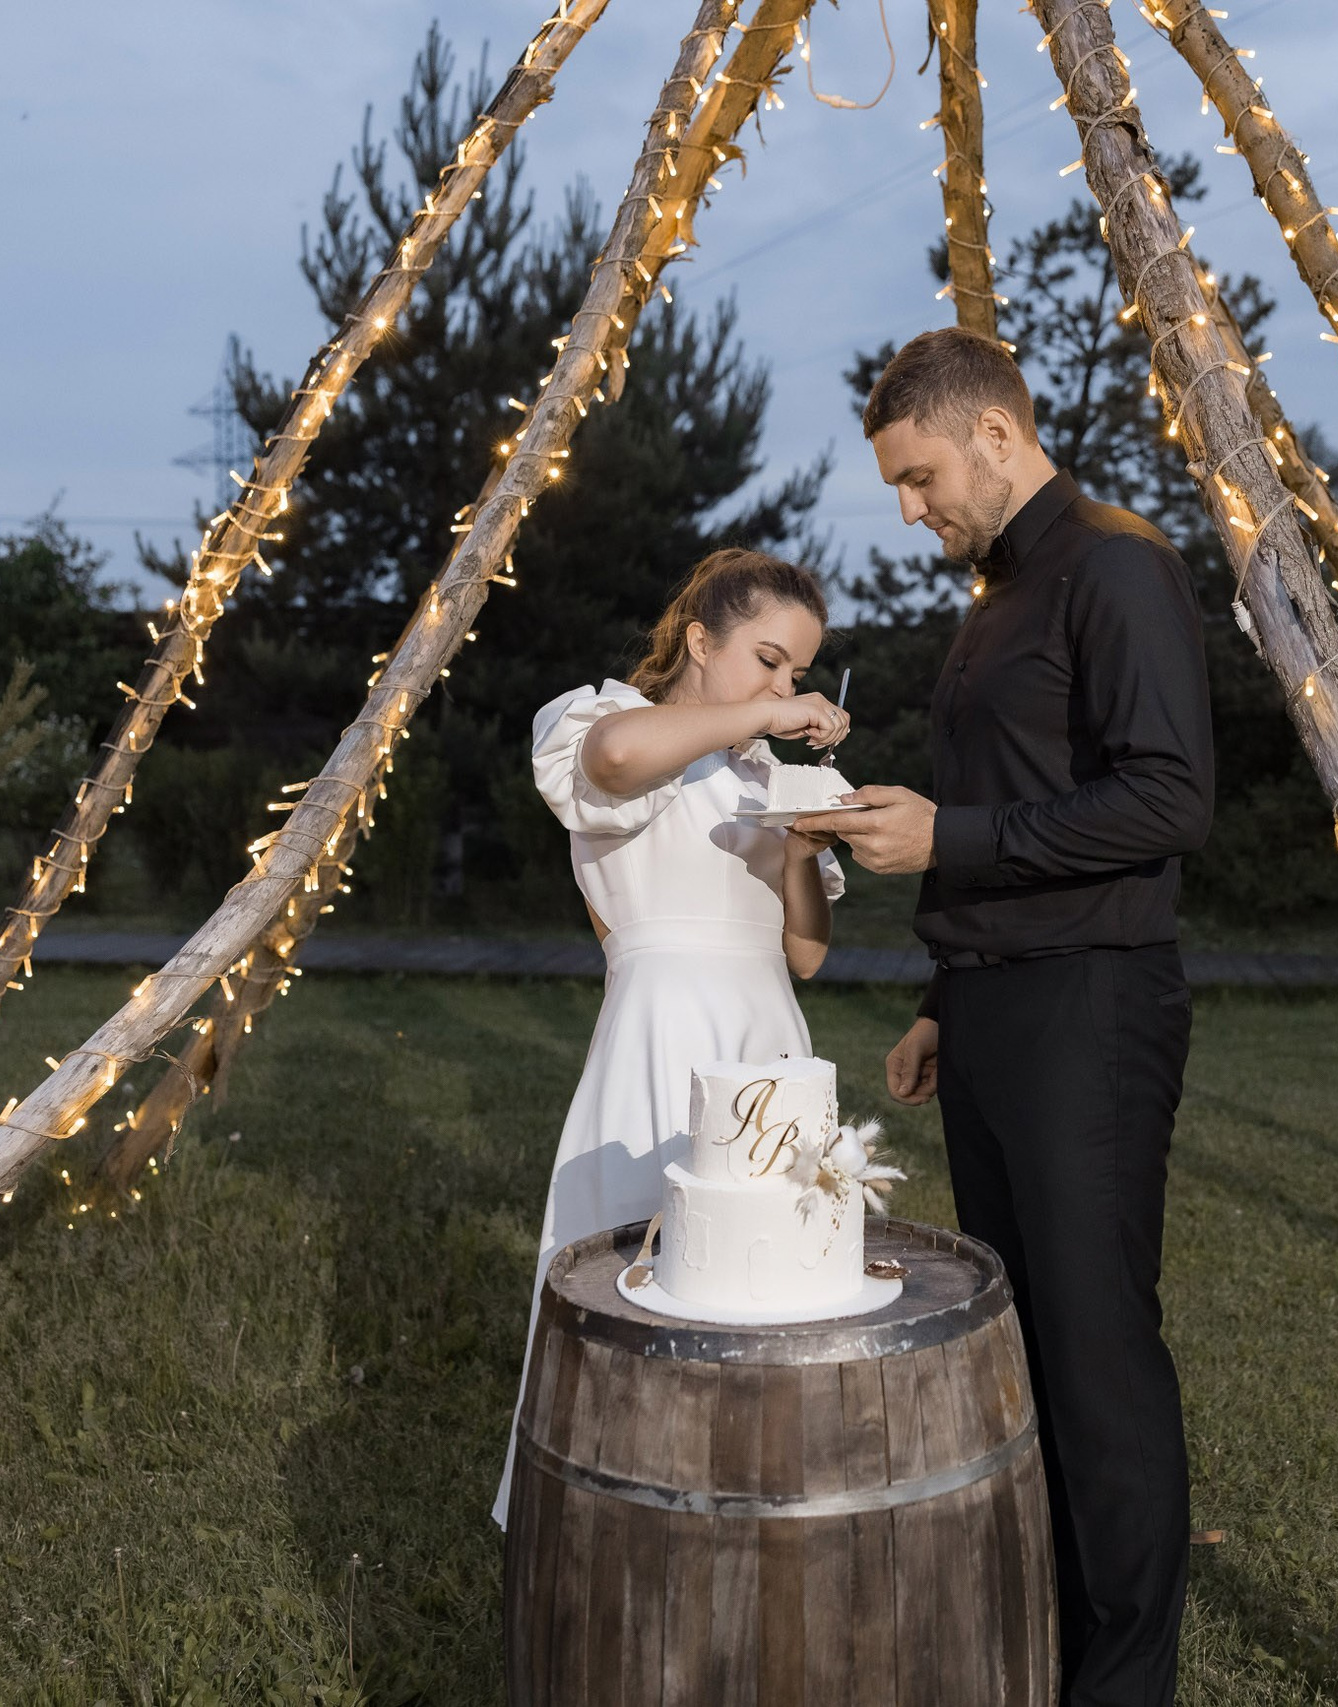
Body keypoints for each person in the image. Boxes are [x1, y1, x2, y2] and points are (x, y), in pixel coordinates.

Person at [800, 327, 1213, 1707]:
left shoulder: (1117, 565)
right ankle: (1048, 1646)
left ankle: (1125, 1683)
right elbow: (1014, 807)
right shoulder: (995, 598)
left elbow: (1170, 798)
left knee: (1096, 1355)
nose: (910, 510)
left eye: (918, 477)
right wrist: (945, 993)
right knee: (1020, 1343)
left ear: (993, 431)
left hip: (1091, 1007)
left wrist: (949, 835)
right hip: (993, 1010)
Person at [491, 547, 852, 1527]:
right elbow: (613, 762)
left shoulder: (769, 774)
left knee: (769, 1274)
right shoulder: (607, 722)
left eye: (798, 674)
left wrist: (801, 850)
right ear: (699, 639)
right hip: (660, 1033)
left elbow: (807, 953)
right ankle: (616, 1519)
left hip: (769, 1038)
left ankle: (753, 1504)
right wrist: (765, 717)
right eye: (768, 661)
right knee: (641, 1276)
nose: (784, 689)